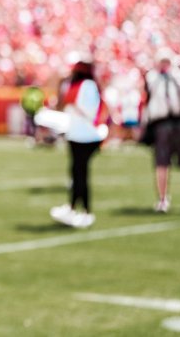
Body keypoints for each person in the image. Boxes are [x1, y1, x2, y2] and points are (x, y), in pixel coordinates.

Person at [48, 54, 108, 229]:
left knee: (80, 174)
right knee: (76, 173)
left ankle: (85, 211)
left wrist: (72, 104)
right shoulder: (85, 85)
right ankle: (74, 207)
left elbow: (84, 110)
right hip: (78, 135)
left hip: (84, 137)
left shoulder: (85, 86)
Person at [141, 48, 180, 213]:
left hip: (166, 124)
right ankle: (162, 199)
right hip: (179, 124)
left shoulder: (155, 78)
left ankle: (163, 200)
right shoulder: (179, 76)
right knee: (169, 164)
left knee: (164, 163)